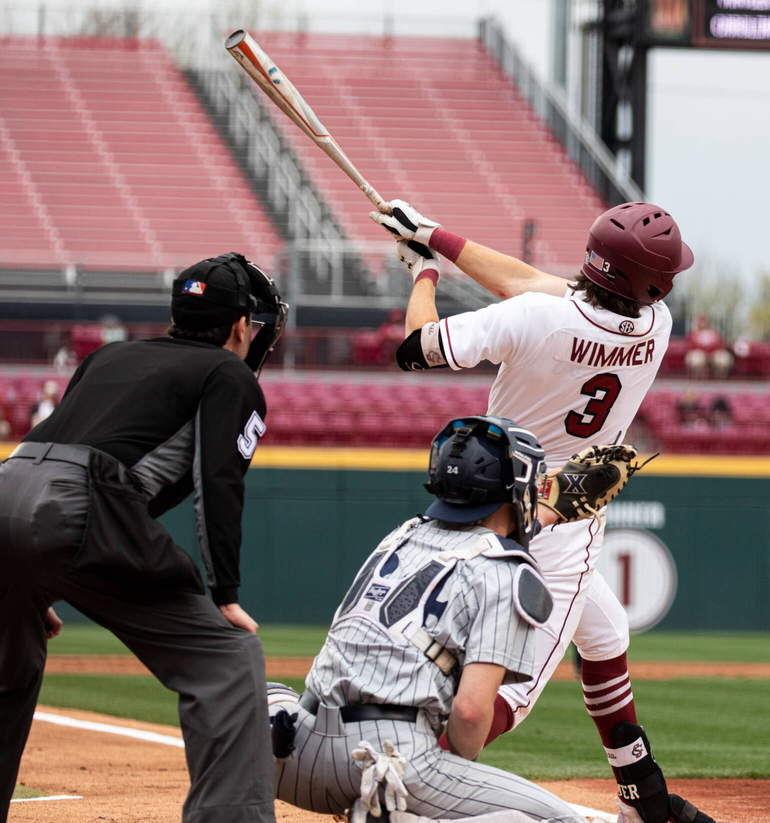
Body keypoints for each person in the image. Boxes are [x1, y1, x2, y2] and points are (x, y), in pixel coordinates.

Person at [370, 200, 712, 823]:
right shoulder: (656, 326)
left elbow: (414, 348)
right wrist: (434, 236)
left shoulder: (534, 317)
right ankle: (398, 793)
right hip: (563, 515)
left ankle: (643, 794)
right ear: (651, 286)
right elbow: (526, 283)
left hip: (481, 503)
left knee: (605, 633)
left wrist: (424, 272)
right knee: (516, 693)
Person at [0, 252, 288, 823]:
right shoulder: (228, 374)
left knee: (9, 666)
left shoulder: (110, 354)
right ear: (239, 327)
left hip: (11, 481)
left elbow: (62, 445)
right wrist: (223, 591)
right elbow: (218, 478)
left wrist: (35, 574)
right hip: (77, 504)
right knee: (228, 660)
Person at [264, 416, 635, 823]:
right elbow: (472, 714)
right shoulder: (508, 572)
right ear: (516, 491)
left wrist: (543, 515)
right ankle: (402, 819)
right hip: (384, 762)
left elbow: (470, 538)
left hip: (293, 750)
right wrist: (449, 780)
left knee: (269, 693)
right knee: (560, 821)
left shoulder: (399, 537)